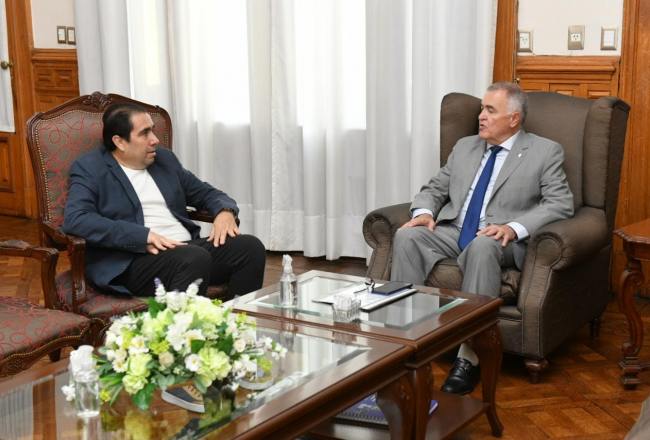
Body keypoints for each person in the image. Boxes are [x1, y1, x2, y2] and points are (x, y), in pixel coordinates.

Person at [390, 82, 574, 394]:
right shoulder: (465, 147)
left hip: (500, 239)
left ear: (514, 119)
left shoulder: (544, 151)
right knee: (407, 236)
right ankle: (406, 340)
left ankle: (469, 355)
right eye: (481, 109)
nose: (481, 116)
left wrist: (514, 227)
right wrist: (423, 211)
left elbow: (560, 203)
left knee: (482, 245)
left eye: (490, 110)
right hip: (454, 229)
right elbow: (435, 188)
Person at [63, 102, 265, 299]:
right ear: (120, 142)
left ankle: (235, 318)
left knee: (250, 247)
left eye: (152, 130)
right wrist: (142, 236)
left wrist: (225, 211)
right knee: (193, 257)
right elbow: (77, 219)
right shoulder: (90, 168)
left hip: (186, 249)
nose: (155, 140)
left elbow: (207, 193)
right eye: (144, 133)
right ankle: (183, 323)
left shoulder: (164, 160)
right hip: (135, 259)